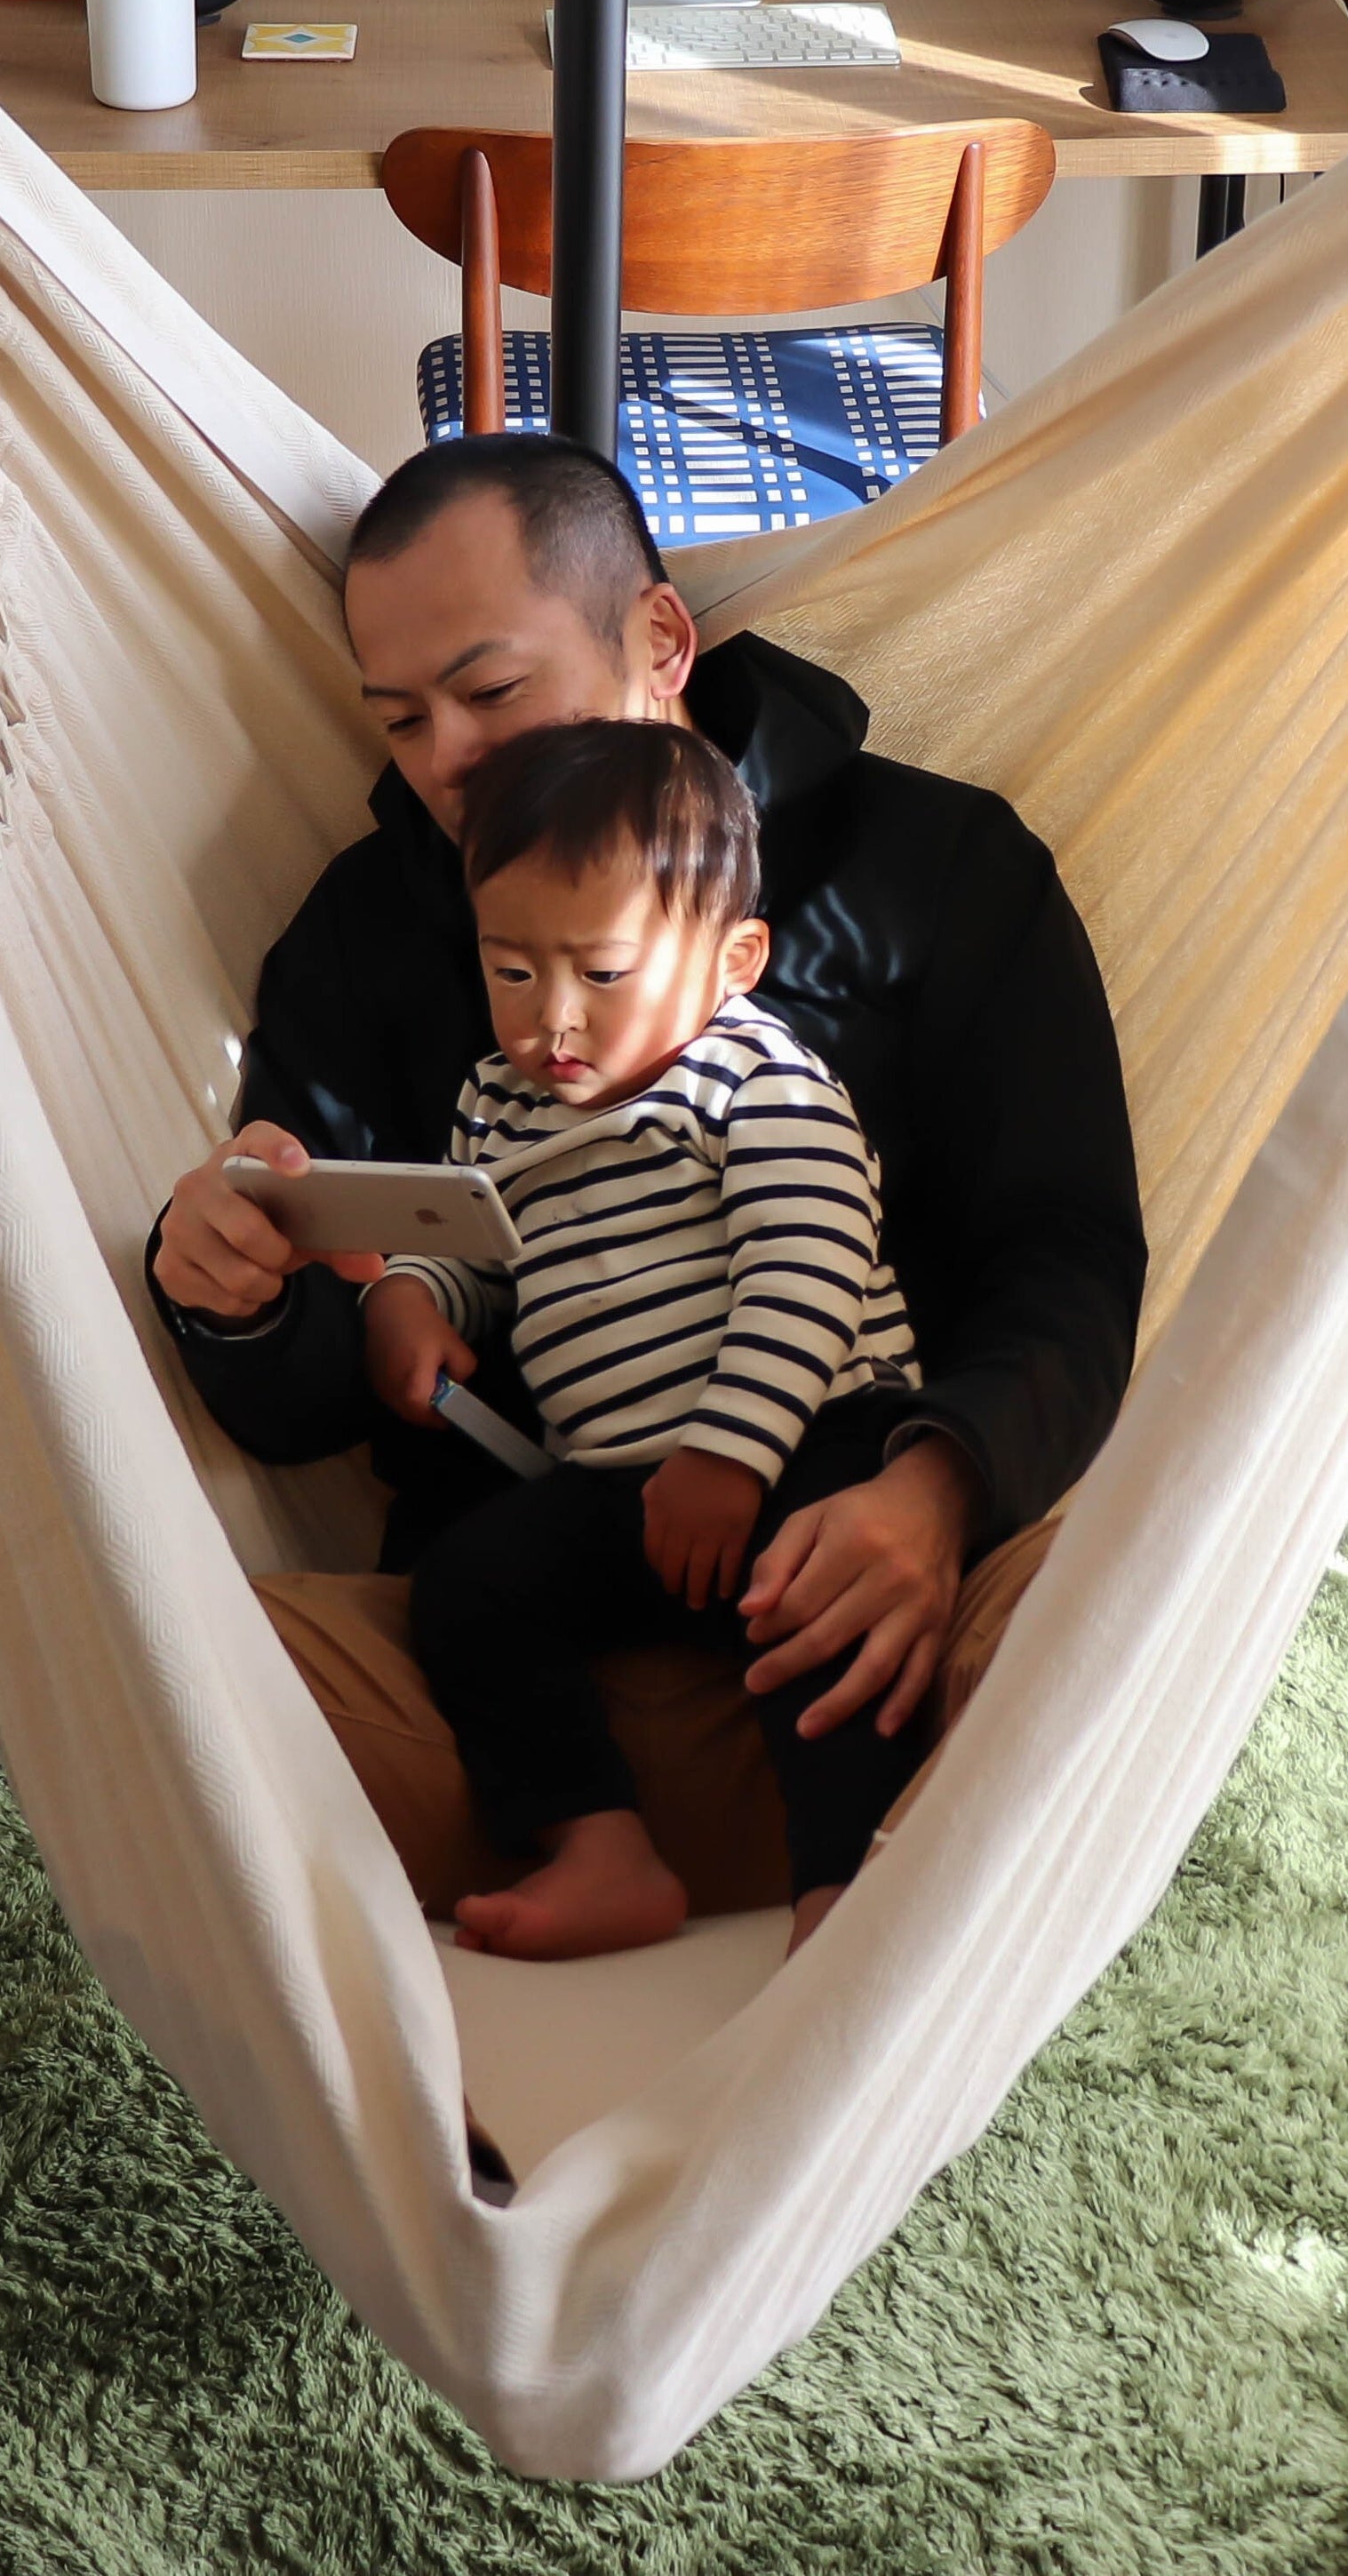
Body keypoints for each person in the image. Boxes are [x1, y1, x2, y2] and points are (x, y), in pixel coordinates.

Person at [148, 431, 1145, 1760]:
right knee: (176, 1676)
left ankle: (879, 1854)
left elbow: (1067, 1252)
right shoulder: (366, 936)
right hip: (517, 1649)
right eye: (400, 719)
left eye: (491, 689)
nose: (447, 760)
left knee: (1107, 1630)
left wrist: (939, 1490)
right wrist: (240, 1301)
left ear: (662, 641)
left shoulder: (935, 872)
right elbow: (314, 1390)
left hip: (887, 1571)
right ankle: (584, 1840)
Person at [371, 718, 922, 1959]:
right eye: (512, 970)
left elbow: (810, 1259)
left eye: (603, 974)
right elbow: (474, 1252)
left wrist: (732, 1452)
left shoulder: (753, 1076)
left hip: (808, 1444)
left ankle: (843, 1898)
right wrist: (411, 1297)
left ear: (735, 961)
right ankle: (599, 1846)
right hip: (624, 1486)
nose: (552, 1021)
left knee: (829, 1608)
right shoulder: (496, 1104)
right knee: (469, 1588)